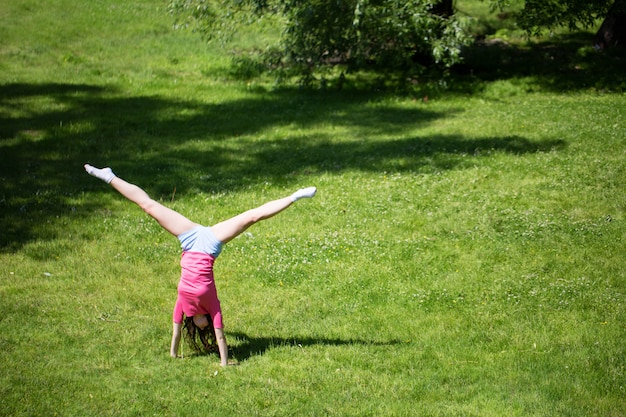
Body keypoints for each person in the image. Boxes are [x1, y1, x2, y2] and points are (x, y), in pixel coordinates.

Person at [84, 164, 316, 366]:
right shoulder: (211, 306)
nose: (206, 326)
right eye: (207, 326)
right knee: (248, 217)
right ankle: (109, 176)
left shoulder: (183, 304)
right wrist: (225, 363)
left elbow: (175, 334)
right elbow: (221, 337)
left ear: (193, 323)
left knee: (152, 207)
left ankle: (294, 196)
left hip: (190, 238)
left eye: (202, 327)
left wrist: (173, 354)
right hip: (210, 243)